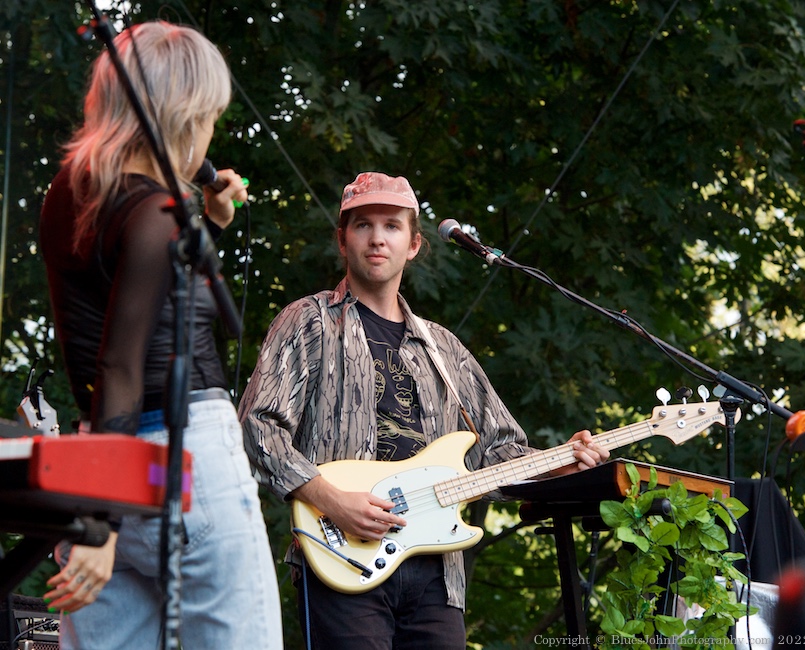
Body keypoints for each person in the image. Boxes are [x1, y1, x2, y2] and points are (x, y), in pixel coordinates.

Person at [239, 171, 610, 649]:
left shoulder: (445, 349)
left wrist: (559, 461)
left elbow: (498, 452)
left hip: (437, 573)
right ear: (342, 240)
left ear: (413, 244)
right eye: (363, 225)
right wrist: (332, 500)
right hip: (341, 562)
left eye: (392, 226)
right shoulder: (308, 322)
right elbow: (257, 426)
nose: (377, 238)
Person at [38, 20, 283, 649]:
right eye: (207, 117)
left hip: (101, 449)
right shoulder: (155, 212)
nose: (209, 134)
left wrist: (213, 220)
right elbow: (123, 362)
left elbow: (148, 307)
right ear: (181, 115)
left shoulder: (66, 195)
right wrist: (103, 521)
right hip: (185, 461)